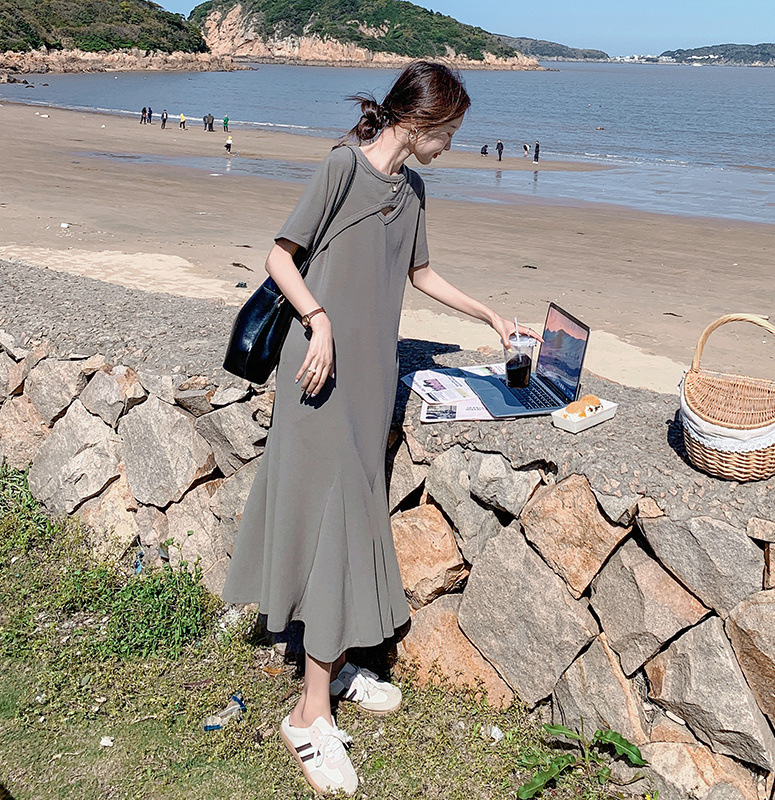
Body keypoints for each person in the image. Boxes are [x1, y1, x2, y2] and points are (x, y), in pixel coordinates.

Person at [221, 61, 538, 797]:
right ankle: (308, 716)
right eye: (450, 132)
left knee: (350, 518)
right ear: (420, 122)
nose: (453, 145)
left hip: (369, 380)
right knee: (331, 523)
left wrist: (489, 314)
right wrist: (319, 319)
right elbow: (279, 257)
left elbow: (420, 274)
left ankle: (324, 662)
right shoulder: (341, 170)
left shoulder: (413, 190)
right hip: (319, 372)